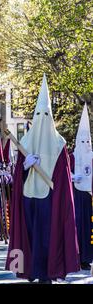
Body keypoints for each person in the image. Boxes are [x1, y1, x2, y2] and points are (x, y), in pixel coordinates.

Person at [5, 75, 79, 283]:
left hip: (49, 199)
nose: (42, 117)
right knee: (29, 236)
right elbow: (18, 174)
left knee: (47, 238)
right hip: (29, 198)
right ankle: (29, 270)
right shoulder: (25, 142)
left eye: (45, 114)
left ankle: (47, 273)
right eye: (39, 114)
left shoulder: (59, 143)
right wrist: (26, 166)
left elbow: (63, 176)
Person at [69, 104, 93, 271]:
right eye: (82, 140)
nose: (85, 143)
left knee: (88, 229)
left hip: (89, 197)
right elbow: (63, 172)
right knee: (77, 227)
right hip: (75, 196)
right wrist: (72, 177)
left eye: (87, 140)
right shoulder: (71, 156)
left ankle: (87, 258)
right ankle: (75, 257)